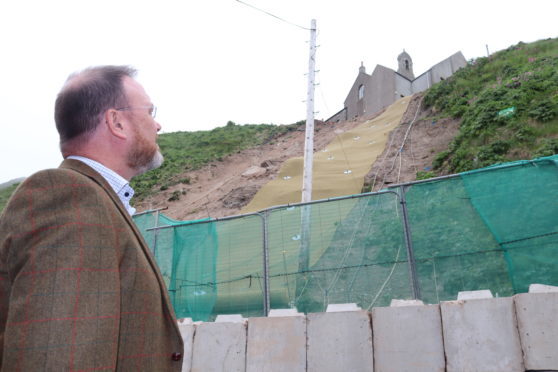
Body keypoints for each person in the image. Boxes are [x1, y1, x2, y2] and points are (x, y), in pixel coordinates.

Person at [0, 66, 184, 371]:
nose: (158, 124)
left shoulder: (97, 201)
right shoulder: (68, 196)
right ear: (116, 121)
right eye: (150, 111)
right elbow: (57, 356)